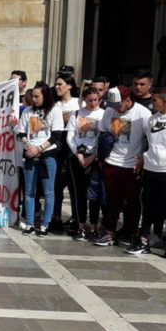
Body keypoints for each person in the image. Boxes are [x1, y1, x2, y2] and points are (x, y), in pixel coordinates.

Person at [127, 89, 166, 259]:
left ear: (164, 101)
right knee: (148, 207)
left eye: (155, 100)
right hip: (150, 169)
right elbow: (148, 143)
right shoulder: (151, 119)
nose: (152, 103)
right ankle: (143, 239)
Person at [92, 85, 150, 247]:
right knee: (112, 200)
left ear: (127, 100)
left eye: (118, 105)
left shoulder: (143, 114)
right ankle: (109, 231)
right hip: (111, 163)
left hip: (132, 164)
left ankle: (134, 233)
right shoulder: (109, 111)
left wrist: (143, 159)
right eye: (112, 106)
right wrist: (102, 158)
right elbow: (103, 133)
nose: (115, 110)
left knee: (133, 201)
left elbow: (151, 140)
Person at [15, 81, 64, 236]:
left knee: (49, 192)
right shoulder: (28, 111)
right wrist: (28, 145)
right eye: (33, 96)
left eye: (37, 96)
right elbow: (21, 132)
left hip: (47, 156)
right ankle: (29, 223)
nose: (34, 99)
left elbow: (56, 136)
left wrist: (39, 148)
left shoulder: (55, 111)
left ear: (45, 96)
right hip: (30, 155)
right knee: (29, 191)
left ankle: (45, 224)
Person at [65, 87, 104, 241]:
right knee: (79, 193)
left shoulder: (103, 114)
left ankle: (94, 227)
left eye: (96, 100)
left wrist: (93, 155)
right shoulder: (77, 114)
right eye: (90, 100)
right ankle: (81, 226)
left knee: (94, 195)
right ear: (84, 100)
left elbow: (103, 138)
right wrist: (78, 154)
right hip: (79, 157)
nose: (93, 103)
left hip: (94, 158)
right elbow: (70, 137)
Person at [50, 72, 80, 232]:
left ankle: (76, 217)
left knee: (73, 185)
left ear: (69, 85)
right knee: (57, 184)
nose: (57, 87)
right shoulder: (55, 105)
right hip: (56, 145)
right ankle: (56, 216)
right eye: (55, 84)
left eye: (60, 84)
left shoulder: (78, 103)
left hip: (72, 147)